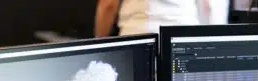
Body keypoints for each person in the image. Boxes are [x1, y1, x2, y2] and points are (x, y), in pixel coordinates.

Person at [95, 0, 229, 37]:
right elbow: (209, 7)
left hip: (137, 37)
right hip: (181, 37)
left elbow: (108, 6)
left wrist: (99, 46)